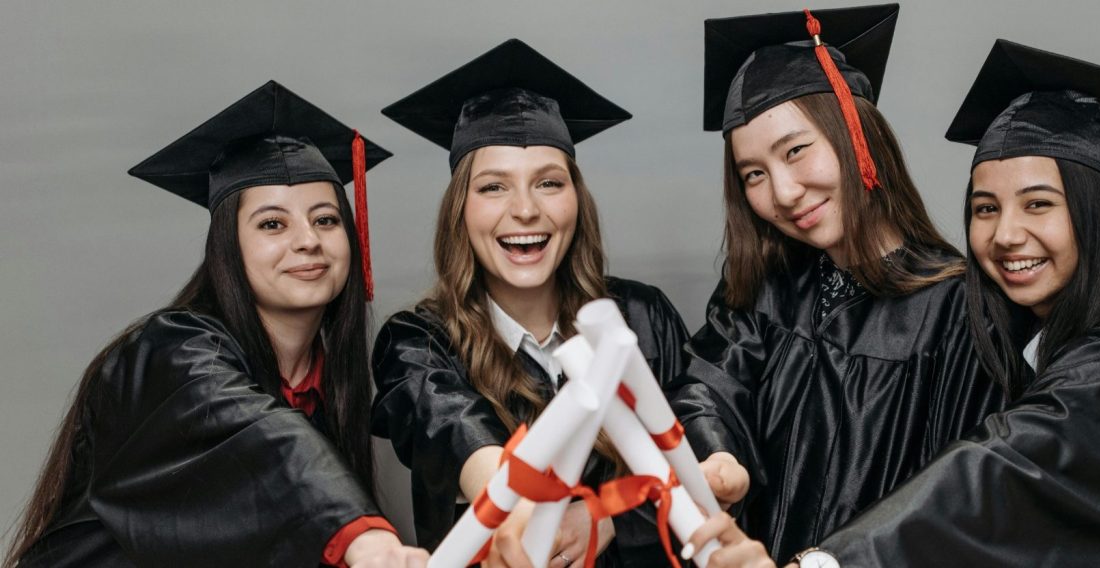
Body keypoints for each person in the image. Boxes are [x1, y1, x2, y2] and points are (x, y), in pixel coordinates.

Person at [695, 39, 1100, 568]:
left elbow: (989, 480)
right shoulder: (766, 292)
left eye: (1038, 204)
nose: (1007, 234)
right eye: (986, 208)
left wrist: (823, 563)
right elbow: (708, 384)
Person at [4, 81, 429, 567]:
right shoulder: (172, 352)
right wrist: (365, 538)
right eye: (273, 224)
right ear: (228, 247)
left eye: (327, 220)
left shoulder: (327, 390)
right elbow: (256, 434)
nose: (308, 240)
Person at [665, 5, 1005, 563]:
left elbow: (959, 504)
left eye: (796, 150)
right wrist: (716, 455)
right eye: (753, 174)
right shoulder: (764, 291)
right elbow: (705, 389)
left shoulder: (960, 309)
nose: (783, 192)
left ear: (858, 136)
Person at [371, 39, 689, 567]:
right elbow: (451, 428)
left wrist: (608, 517)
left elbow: (688, 460)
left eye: (548, 182)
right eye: (493, 187)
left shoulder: (640, 318)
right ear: (461, 212)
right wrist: (516, 510)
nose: (525, 209)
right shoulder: (418, 342)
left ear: (576, 200)